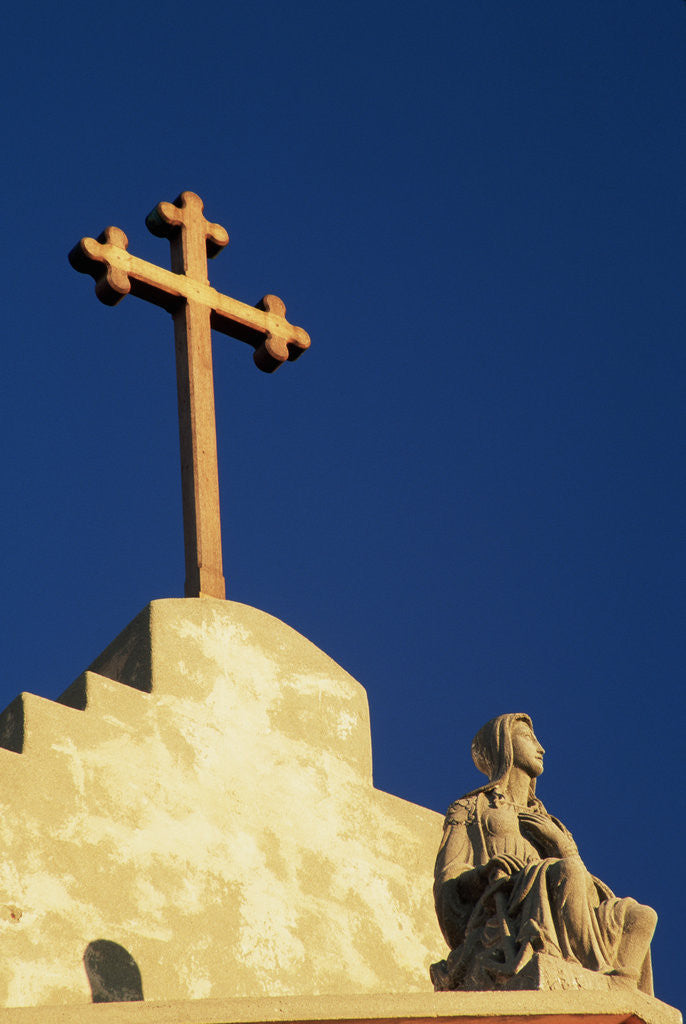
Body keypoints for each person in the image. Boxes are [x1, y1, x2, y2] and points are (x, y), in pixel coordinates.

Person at [431, 713, 656, 993]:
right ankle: (598, 970)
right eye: (528, 738)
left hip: (563, 900)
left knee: (641, 916)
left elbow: (582, 884)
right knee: (567, 871)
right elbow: (449, 879)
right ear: (503, 745)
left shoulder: (551, 822)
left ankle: (621, 983)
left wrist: (560, 843)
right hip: (507, 902)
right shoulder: (470, 808)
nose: (541, 748)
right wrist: (484, 874)